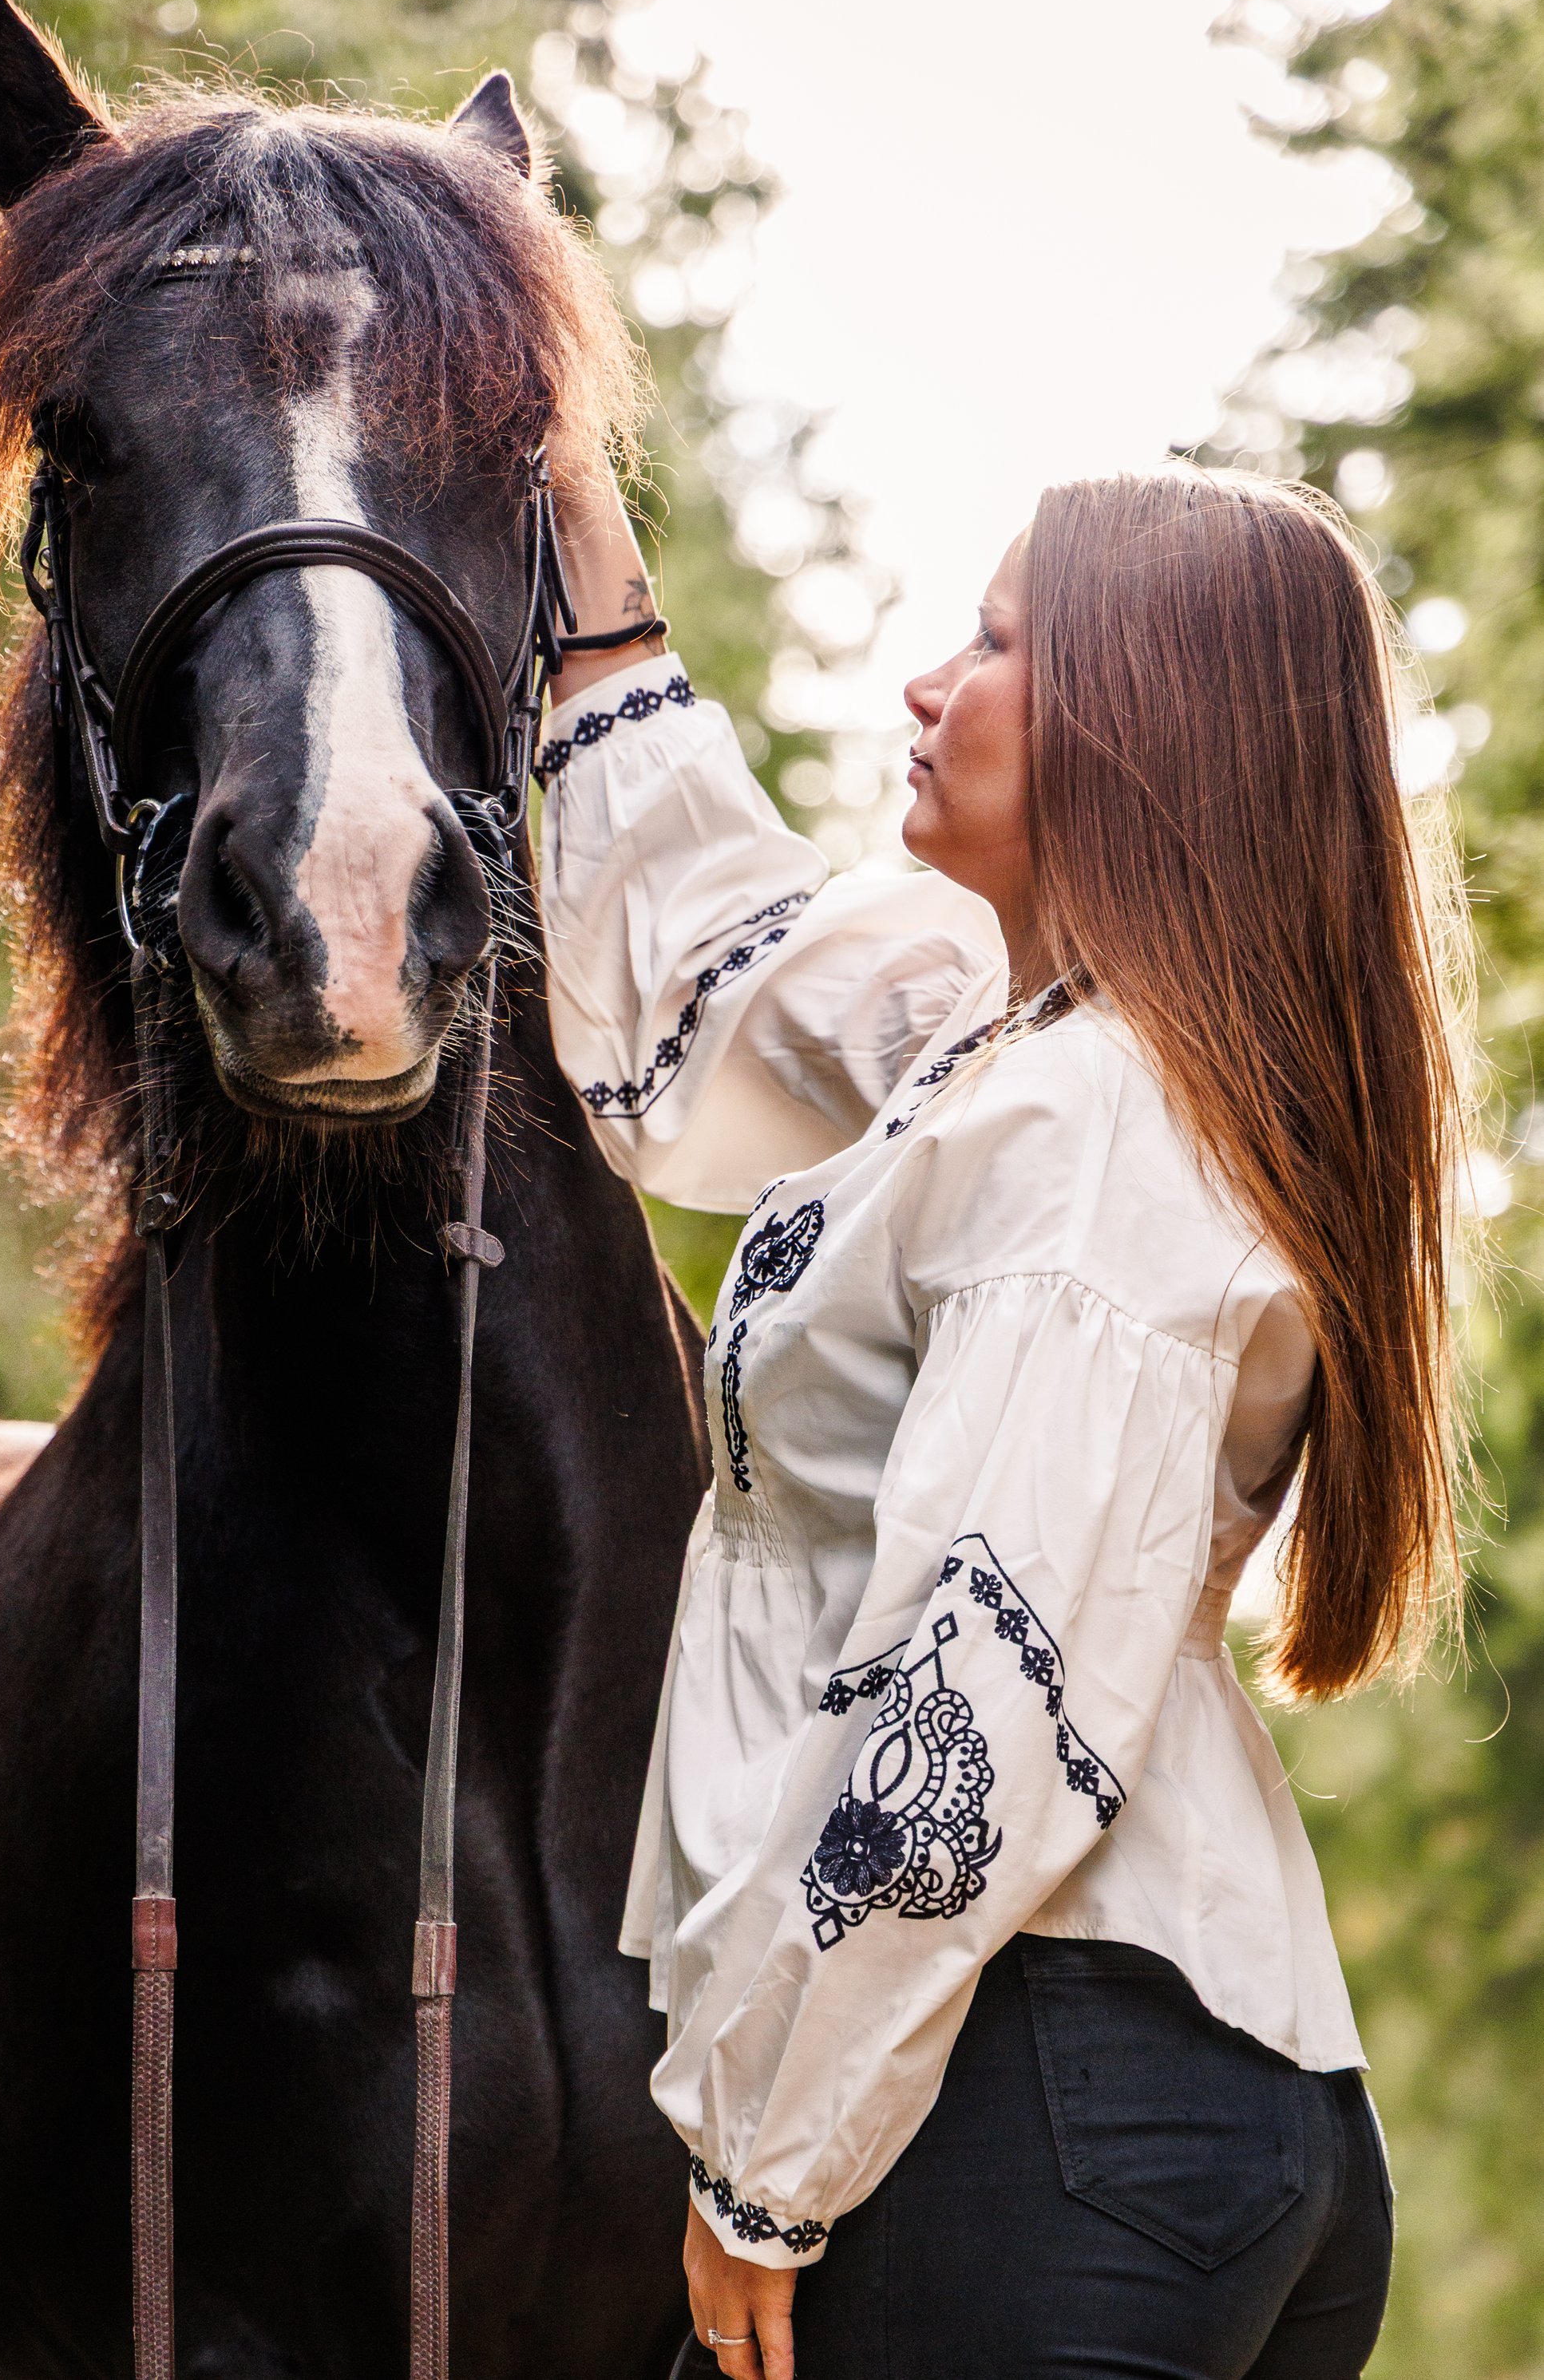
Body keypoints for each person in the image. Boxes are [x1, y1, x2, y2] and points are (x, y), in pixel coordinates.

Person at [536, 461, 1465, 2379]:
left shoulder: (1094, 1131)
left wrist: (761, 2161)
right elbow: (721, 981)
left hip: (1024, 2112)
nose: (926, 684)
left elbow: (976, 1684)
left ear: (1138, 726)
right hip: (1134, 2109)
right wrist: (593, 602)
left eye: (994, 641)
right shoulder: (1014, 1044)